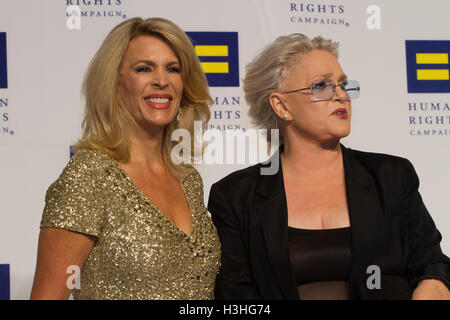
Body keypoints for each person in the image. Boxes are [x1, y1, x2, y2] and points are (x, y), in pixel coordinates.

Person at [208, 33, 450, 300]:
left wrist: (432, 287)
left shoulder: (392, 176)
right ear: (281, 104)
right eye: (321, 85)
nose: (341, 95)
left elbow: (432, 265)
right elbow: (236, 294)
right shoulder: (235, 195)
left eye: (343, 84)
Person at [30, 17, 220, 300]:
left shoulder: (188, 179)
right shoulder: (89, 175)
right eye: (144, 69)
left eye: (173, 69)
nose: (161, 80)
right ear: (115, 84)